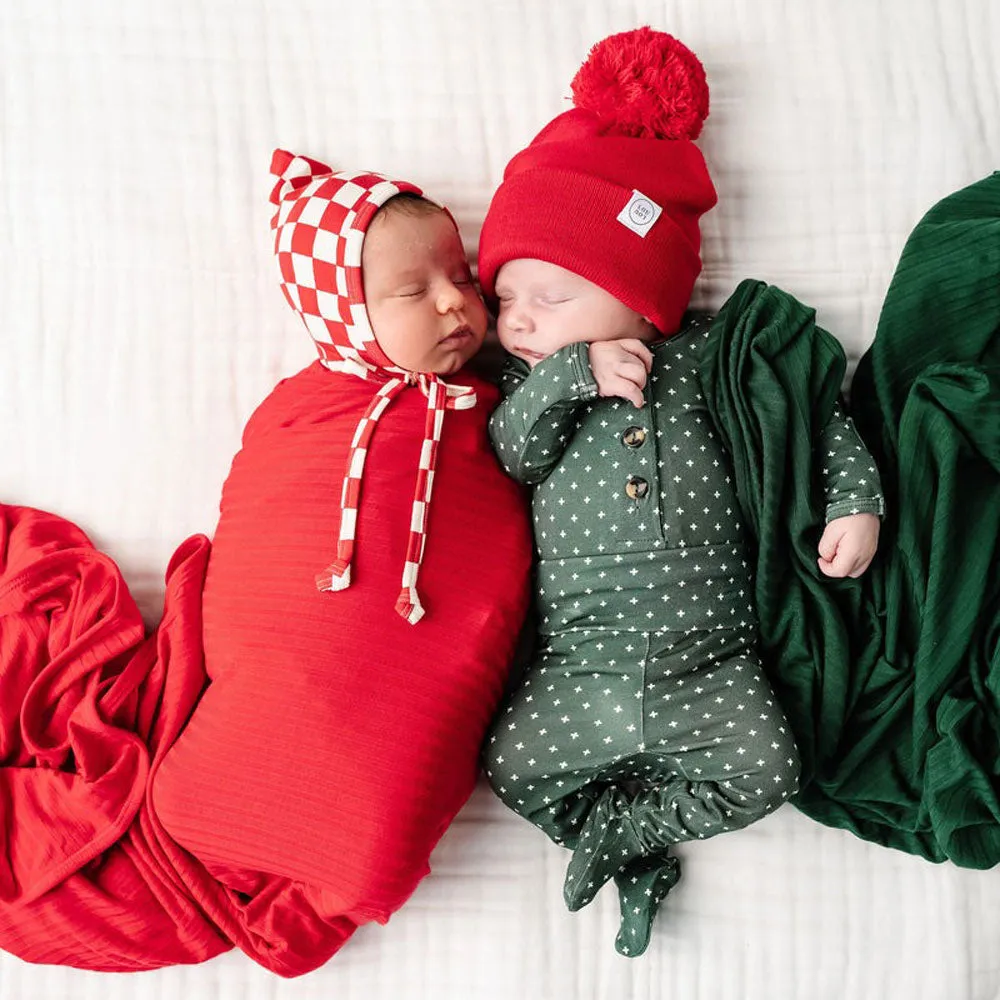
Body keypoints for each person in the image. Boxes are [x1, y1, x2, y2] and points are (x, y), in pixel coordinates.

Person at [476, 28, 883, 957]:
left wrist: (855, 499)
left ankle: (634, 835)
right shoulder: (527, 390)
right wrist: (565, 375)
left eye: (548, 293)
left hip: (714, 660)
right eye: (507, 300)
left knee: (772, 768)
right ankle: (628, 840)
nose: (520, 318)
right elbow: (511, 455)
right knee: (509, 763)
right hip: (582, 661)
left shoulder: (711, 362)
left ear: (637, 288)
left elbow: (809, 419)